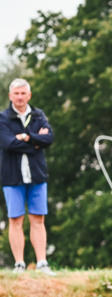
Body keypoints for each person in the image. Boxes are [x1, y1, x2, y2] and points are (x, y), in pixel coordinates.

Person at [1, 79, 55, 274]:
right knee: (15, 220)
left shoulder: (38, 115)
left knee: (38, 218)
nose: (20, 97)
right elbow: (8, 144)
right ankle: (19, 264)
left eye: (23, 93)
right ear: (10, 95)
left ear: (29, 95)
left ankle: (42, 263)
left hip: (37, 175)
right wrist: (35, 143)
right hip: (12, 177)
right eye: (16, 93)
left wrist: (27, 137)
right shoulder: (3, 118)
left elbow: (49, 138)